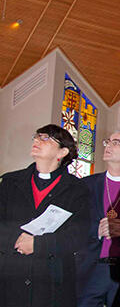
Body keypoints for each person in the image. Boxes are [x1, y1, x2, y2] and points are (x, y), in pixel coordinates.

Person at [0, 124, 90, 307]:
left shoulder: (77, 190)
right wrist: (16, 240)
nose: (36, 140)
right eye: (36, 136)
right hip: (10, 276)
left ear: (63, 152)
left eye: (46, 138)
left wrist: (38, 245)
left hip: (52, 281)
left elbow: (79, 235)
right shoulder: (10, 182)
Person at [77, 130, 120, 307]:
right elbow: (73, 226)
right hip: (91, 268)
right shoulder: (85, 185)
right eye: (108, 142)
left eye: (116, 143)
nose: (108, 145)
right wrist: (96, 231)